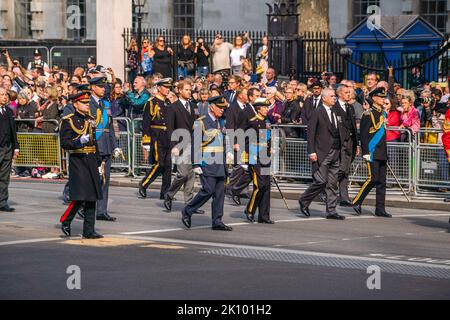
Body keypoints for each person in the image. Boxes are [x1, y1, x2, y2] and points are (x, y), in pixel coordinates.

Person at [181, 96, 232, 231]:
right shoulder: (201, 122)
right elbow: (196, 144)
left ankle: (217, 221)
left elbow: (223, 140)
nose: (222, 110)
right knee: (208, 190)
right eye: (220, 107)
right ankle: (188, 210)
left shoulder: (221, 122)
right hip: (207, 162)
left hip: (220, 163)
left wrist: (228, 153)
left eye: (223, 108)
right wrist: (196, 163)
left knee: (219, 193)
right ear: (211, 107)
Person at [59, 92, 103, 239]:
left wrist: (98, 161)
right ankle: (66, 220)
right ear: (75, 104)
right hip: (77, 160)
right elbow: (65, 143)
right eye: (83, 103)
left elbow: (94, 142)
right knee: (79, 196)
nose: (86, 105)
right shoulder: (68, 120)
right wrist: (79, 141)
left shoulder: (90, 119)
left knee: (92, 195)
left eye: (87, 102)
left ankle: (89, 230)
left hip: (90, 160)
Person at [298, 88, 345, 220]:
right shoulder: (318, 112)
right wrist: (311, 151)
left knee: (332, 183)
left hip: (336, 151)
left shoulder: (336, 111)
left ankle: (331, 211)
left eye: (334, 96)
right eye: (331, 96)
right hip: (322, 151)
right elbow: (311, 133)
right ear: (324, 98)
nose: (334, 98)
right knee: (320, 181)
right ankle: (304, 200)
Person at [164, 81, 203, 214]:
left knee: (191, 174)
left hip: (193, 143)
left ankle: (189, 203)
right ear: (179, 91)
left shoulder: (193, 106)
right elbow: (170, 128)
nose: (189, 92)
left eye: (190, 90)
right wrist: (173, 146)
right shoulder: (172, 107)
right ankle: (169, 194)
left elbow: (197, 124)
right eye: (186, 89)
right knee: (182, 173)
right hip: (180, 143)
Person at [352, 87, 391, 218]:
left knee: (382, 182)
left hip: (382, 152)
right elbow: (363, 135)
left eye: (383, 97)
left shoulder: (383, 114)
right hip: (373, 151)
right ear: (374, 98)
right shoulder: (368, 114)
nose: (383, 99)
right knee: (372, 179)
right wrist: (366, 151)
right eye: (380, 97)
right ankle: (357, 201)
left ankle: (380, 209)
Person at [89, 77, 122, 222]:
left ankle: (101, 211)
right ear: (93, 88)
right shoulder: (87, 103)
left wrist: (115, 145)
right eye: (100, 86)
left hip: (106, 145)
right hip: (94, 145)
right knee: (91, 180)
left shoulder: (106, 104)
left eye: (104, 86)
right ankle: (85, 208)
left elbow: (110, 127)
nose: (103, 89)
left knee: (105, 179)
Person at [138, 78, 173, 200]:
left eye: (169, 87)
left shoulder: (168, 102)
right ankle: (144, 183)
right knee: (160, 163)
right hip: (157, 136)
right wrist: (146, 141)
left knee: (168, 166)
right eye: (165, 87)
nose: (168, 89)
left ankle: (165, 193)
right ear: (159, 88)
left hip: (168, 136)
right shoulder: (151, 102)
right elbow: (146, 123)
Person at [244, 98, 274, 224]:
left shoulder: (266, 122)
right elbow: (246, 142)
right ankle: (250, 210)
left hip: (265, 157)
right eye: (265, 107)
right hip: (255, 157)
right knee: (259, 186)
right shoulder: (253, 122)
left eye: (267, 107)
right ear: (258, 108)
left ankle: (264, 216)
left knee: (266, 187)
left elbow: (267, 138)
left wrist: (270, 147)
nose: (267, 109)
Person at [334, 85, 359, 206]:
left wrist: (357, 144)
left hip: (350, 142)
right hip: (339, 143)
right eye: (346, 92)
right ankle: (328, 190)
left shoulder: (350, 107)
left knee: (346, 170)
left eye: (349, 92)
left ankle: (344, 197)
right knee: (341, 169)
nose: (349, 94)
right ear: (339, 94)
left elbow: (353, 126)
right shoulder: (334, 107)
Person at [0, 87, 20, 212]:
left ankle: (2, 202)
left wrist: (16, 147)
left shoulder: (8, 110)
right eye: (1, 94)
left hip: (7, 148)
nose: (4, 97)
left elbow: (13, 130)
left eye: (5, 95)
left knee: (4, 177)